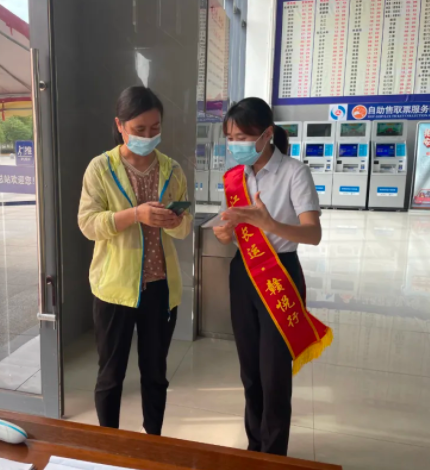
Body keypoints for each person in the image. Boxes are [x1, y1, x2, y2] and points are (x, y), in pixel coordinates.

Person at [214, 97, 331, 455]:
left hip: (280, 273)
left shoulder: (295, 172)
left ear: (267, 134)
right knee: (250, 370)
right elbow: (231, 227)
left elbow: (313, 234)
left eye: (243, 137)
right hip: (243, 273)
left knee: (274, 373)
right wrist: (225, 233)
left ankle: (274, 454)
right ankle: (255, 447)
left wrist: (270, 223)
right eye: (230, 138)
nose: (236, 145)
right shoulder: (235, 177)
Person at [78, 86, 192, 435]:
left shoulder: (172, 170)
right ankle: (109, 445)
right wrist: (134, 215)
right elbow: (88, 224)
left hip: (160, 287)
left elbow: (185, 228)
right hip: (115, 289)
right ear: (120, 125)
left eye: (155, 128)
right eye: (139, 129)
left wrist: (173, 221)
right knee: (111, 374)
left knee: (156, 373)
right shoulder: (101, 168)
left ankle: (152, 441)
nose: (148, 136)